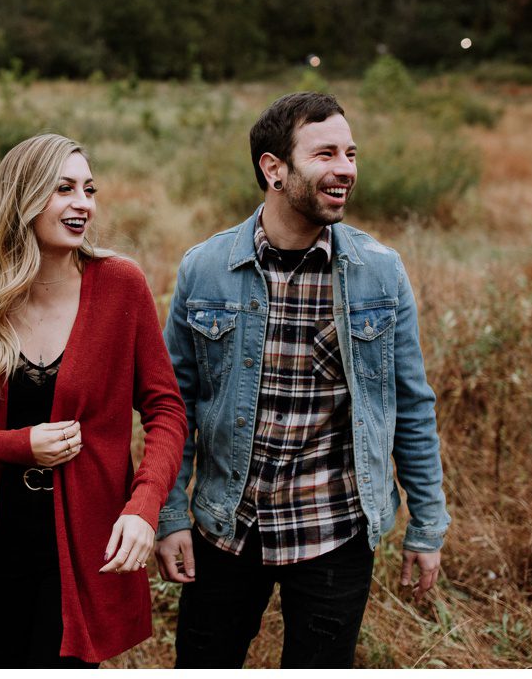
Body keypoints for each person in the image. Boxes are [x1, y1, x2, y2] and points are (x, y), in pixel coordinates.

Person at [154, 92, 450, 668]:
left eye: (351, 153)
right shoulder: (206, 268)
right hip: (225, 524)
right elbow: (175, 407)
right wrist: (170, 517)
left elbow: (411, 405)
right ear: (274, 169)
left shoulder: (379, 272)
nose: (346, 169)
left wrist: (427, 525)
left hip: (333, 531)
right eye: (325, 154)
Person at [0, 133, 187, 667]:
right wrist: (17, 446)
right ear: (23, 198)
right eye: (63, 189)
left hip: (83, 547)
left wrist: (144, 507)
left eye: (88, 189)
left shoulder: (120, 285)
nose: (82, 203)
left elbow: (166, 410)